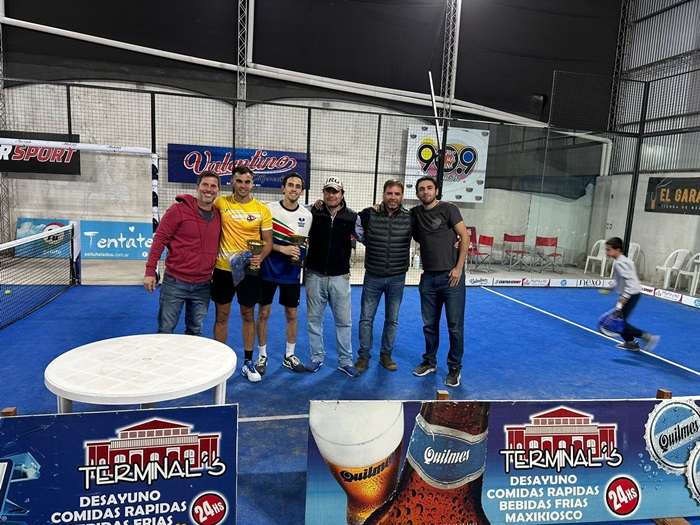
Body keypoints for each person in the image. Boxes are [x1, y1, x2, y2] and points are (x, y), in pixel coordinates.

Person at [212, 165, 273, 383]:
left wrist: (261, 256)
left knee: (248, 315)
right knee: (221, 316)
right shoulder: (221, 204)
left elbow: (268, 242)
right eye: (239, 181)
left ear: (252, 184)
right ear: (232, 182)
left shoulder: (262, 209)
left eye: (247, 182)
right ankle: (218, 363)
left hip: (249, 271)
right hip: (223, 269)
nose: (243, 186)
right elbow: (201, 206)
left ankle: (248, 362)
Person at [144, 170, 221, 335]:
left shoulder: (220, 215)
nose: (209, 189)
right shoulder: (178, 210)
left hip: (203, 285)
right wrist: (150, 270)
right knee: (165, 331)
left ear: (218, 191)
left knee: (195, 332)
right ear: (197, 188)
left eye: (213, 186)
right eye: (205, 185)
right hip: (175, 282)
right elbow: (160, 240)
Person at [410, 176, 469, 388]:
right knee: (429, 325)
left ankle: (454, 368)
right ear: (417, 193)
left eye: (429, 188)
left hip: (451, 278)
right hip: (428, 278)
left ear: (436, 190)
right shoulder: (415, 213)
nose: (425, 192)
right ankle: (429, 361)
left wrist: (458, 268)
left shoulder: (449, 209)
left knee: (455, 327)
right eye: (421, 189)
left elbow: (465, 236)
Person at [256, 173, 313, 374]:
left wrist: (300, 257)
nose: (294, 189)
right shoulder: (268, 209)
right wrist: (282, 249)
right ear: (283, 188)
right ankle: (262, 356)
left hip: (291, 272)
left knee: (292, 314)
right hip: (268, 269)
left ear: (302, 191)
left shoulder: (307, 216)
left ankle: (289, 355)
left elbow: (303, 244)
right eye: (290, 185)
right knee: (263, 313)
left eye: (298, 186)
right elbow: (261, 241)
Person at [354, 179, 413, 373]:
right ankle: (364, 356)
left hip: (397, 278)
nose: (393, 197)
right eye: (389, 193)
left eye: (397, 194)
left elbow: (430, 233)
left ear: (402, 196)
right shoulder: (368, 214)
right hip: (373, 276)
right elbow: (349, 220)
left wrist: (455, 241)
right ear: (383, 195)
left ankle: (386, 355)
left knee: (392, 319)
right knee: (366, 319)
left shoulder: (410, 217)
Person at [304, 176, 359, 377]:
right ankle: (316, 357)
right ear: (323, 193)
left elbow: (366, 236)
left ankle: (345, 361)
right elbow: (292, 209)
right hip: (314, 275)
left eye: (335, 191)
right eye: (328, 191)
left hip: (340, 277)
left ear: (342, 195)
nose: (331, 195)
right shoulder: (312, 212)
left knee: (344, 322)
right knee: (314, 321)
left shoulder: (353, 217)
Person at [605, 236, 660, 351]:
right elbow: (622, 279)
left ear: (618, 250)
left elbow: (630, 280)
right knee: (619, 321)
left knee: (619, 322)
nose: (606, 252)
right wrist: (611, 287)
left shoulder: (620, 263)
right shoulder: (623, 261)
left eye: (609, 249)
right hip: (631, 293)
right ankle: (631, 343)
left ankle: (647, 337)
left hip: (631, 294)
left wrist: (625, 296)